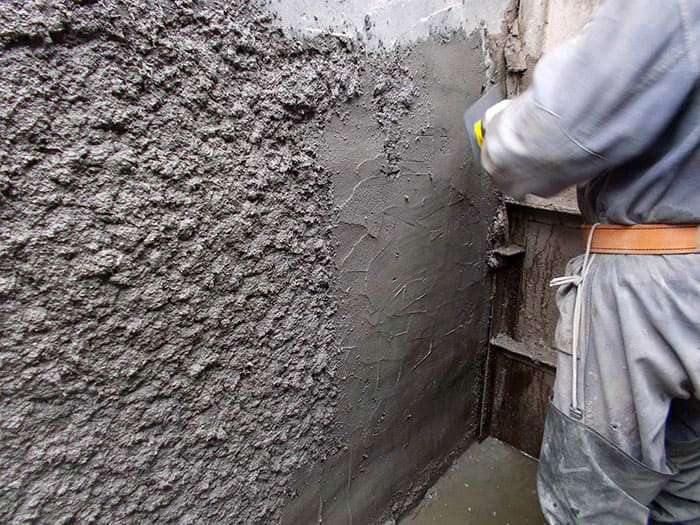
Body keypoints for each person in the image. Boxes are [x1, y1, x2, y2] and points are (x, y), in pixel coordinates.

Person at [480, 1, 700, 523]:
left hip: (653, 284)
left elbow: (547, 139)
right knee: (686, 486)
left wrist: (496, 125)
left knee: (590, 499)